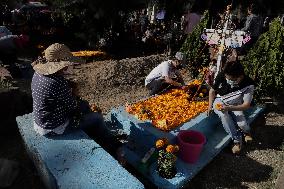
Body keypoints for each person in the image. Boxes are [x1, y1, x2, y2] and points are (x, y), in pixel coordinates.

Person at [31, 43, 105, 136]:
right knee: (97, 117)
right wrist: (74, 92)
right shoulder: (57, 82)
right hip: (52, 127)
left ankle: (90, 128)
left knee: (85, 105)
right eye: (68, 64)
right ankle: (109, 143)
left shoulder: (37, 73)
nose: (69, 66)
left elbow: (54, 90)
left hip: (40, 120)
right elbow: (73, 106)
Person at [207, 61, 255, 154]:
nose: (227, 80)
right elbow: (212, 91)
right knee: (224, 116)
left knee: (242, 124)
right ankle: (237, 141)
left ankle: (246, 132)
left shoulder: (248, 84)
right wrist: (210, 106)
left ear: (240, 77)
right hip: (220, 100)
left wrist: (229, 108)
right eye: (226, 78)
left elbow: (246, 105)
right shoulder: (223, 74)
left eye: (231, 79)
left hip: (236, 104)